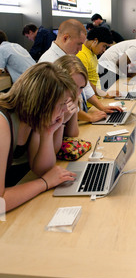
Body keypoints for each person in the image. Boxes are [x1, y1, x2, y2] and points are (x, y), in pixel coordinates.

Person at [0, 62, 78, 211]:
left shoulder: (33, 118)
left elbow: (43, 169)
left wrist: (48, 133)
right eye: (62, 104)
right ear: (42, 102)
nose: (65, 110)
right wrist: (44, 183)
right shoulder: (2, 123)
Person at [39, 19, 121, 121]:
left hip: (78, 118)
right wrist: (89, 117)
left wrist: (102, 107)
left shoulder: (71, 56)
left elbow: (85, 86)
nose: (81, 49)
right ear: (65, 38)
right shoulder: (49, 62)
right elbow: (63, 103)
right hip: (63, 124)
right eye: (78, 44)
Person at [76, 27, 113, 100]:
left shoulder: (92, 53)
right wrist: (104, 94)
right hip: (91, 103)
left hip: (99, 98)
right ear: (95, 41)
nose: (104, 50)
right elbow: (85, 82)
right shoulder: (81, 55)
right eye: (104, 46)